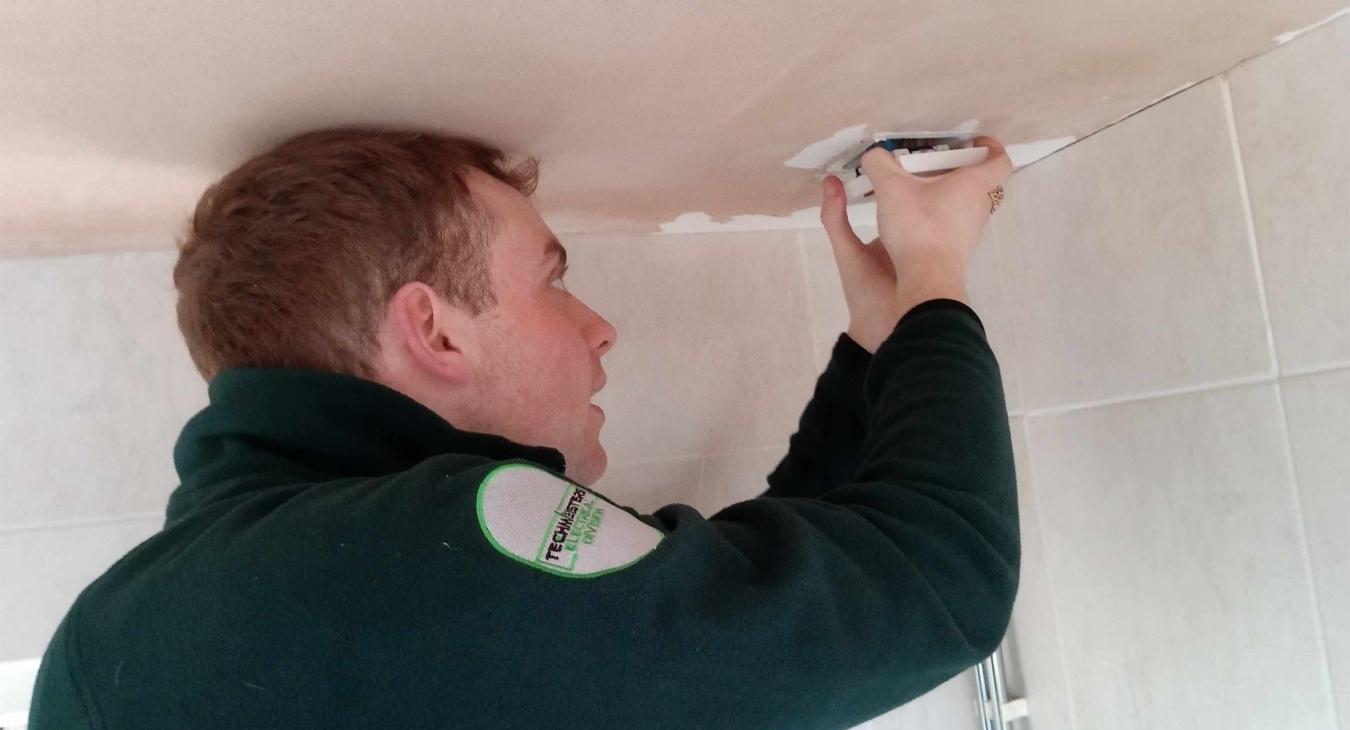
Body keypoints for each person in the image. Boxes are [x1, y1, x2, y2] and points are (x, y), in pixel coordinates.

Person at [28, 127, 1019, 729]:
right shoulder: (433, 546)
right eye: (554, 279)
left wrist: (881, 345)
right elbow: (939, 579)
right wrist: (937, 287)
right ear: (435, 329)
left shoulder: (103, 637)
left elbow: (726, 614)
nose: (598, 328)